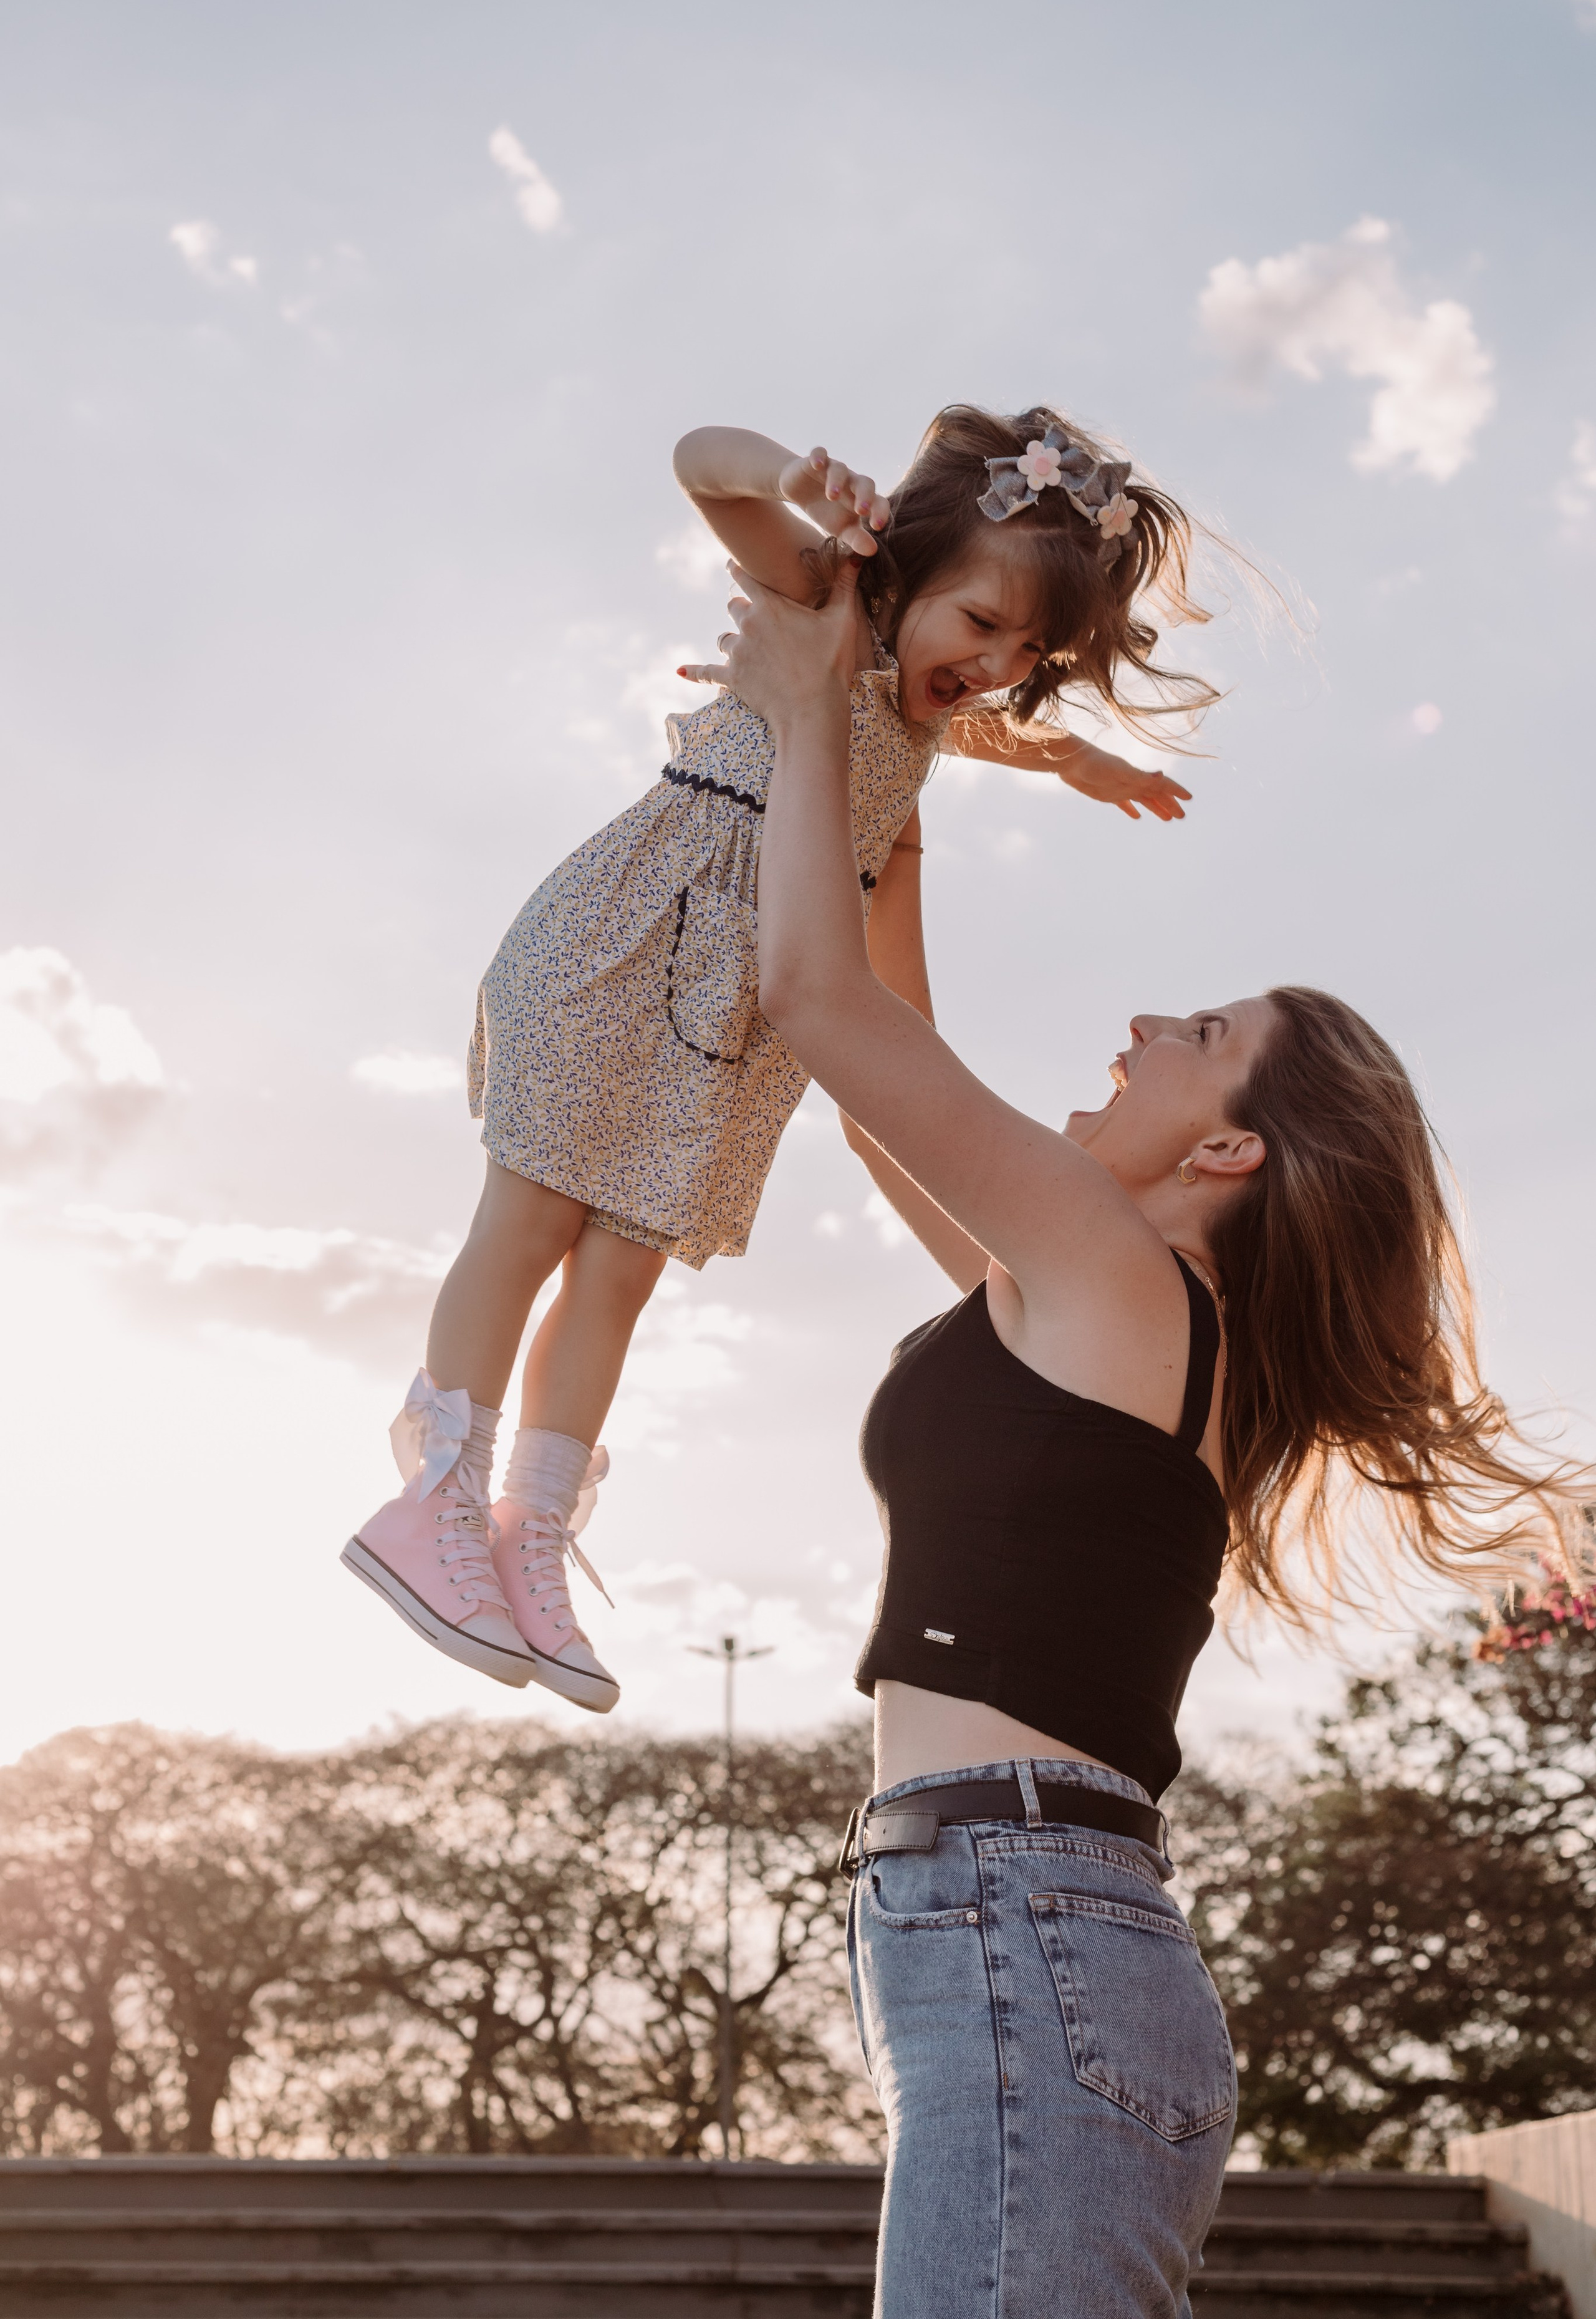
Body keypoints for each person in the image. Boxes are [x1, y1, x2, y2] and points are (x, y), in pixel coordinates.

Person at [702, 547, 1589, 2318]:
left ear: (1230, 1153)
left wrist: (811, 708)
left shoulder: (1117, 1280)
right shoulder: (1093, 1298)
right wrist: (905, 761)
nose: (1136, 1027)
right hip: (1015, 1933)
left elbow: (817, 1006)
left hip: (1026, 1926)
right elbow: (887, 1073)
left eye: (1195, 1035)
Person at [343, 405, 1206, 1713]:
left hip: (738, 1011)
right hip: (635, 933)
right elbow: (695, 462)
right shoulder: (826, 595)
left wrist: (1070, 754)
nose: (994, 665)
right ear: (907, 572)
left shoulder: (921, 714)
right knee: (530, 1217)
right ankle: (434, 1501)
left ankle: (528, 1529)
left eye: (1025, 653)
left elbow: (952, 727)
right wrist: (791, 478)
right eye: (980, 625)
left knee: (623, 1272)